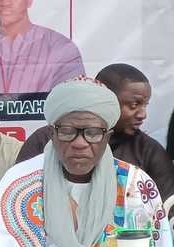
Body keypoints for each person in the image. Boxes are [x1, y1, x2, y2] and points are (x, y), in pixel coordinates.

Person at [0, 78, 173, 247]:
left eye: (93, 133)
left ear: (107, 137)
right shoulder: (19, 184)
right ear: (52, 133)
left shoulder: (136, 185)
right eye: (67, 131)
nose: (79, 143)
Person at [17, 64, 174, 202]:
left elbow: (164, 210)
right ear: (104, 98)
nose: (142, 114)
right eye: (134, 105)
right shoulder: (44, 139)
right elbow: (19, 195)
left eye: (145, 105)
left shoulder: (150, 152)